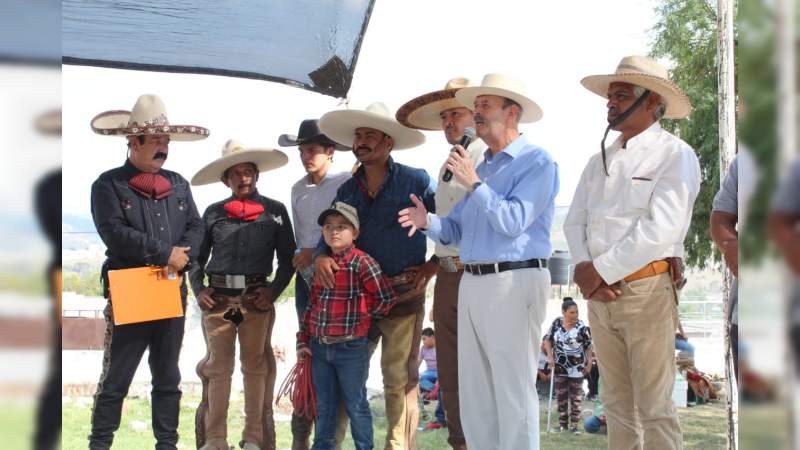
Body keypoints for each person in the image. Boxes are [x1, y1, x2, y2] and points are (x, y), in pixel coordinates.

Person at [399, 73, 559, 450]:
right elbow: (458, 229)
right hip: (472, 281)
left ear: (512, 113)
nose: (477, 113)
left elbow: (512, 222)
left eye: (485, 106)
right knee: (476, 394)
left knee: (511, 392)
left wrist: (473, 183)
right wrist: (429, 223)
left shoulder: (537, 161)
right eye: (477, 107)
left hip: (513, 281)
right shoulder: (483, 166)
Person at [564, 55, 701, 450]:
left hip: (645, 293)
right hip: (600, 294)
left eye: (621, 95)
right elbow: (575, 222)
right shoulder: (597, 161)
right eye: (610, 96)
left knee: (656, 407)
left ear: (652, 101)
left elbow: (662, 229)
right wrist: (586, 271)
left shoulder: (675, 154)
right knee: (616, 405)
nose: (611, 103)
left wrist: (598, 272)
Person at [88, 94, 207, 450]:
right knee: (117, 377)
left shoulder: (180, 183)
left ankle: (167, 445)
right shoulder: (108, 185)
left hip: (171, 288)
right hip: (131, 288)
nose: (163, 148)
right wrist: (164, 252)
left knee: (168, 375)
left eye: (166, 141)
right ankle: (100, 444)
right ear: (133, 142)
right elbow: (114, 233)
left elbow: (196, 227)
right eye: (156, 140)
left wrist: (182, 256)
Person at [317, 101, 434, 450]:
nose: (362, 141)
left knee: (398, 379)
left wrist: (432, 266)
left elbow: (445, 225)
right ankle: (331, 444)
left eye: (370, 135)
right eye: (359, 136)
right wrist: (323, 256)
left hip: (404, 294)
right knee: (346, 378)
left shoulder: (416, 180)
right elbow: (335, 233)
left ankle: (398, 446)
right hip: (356, 301)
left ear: (388, 143)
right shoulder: (347, 190)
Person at [396, 77, 487, 450]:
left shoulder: (484, 155)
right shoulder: (449, 162)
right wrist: (436, 262)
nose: (448, 122)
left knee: (477, 369)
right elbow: (450, 224)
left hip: (478, 275)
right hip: (450, 275)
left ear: (476, 114)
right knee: (450, 371)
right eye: (445, 116)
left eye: (456, 113)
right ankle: (460, 441)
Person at [189, 140, 295, 450]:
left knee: (255, 368)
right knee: (218, 369)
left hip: (255, 299)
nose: (243, 178)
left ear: (257, 175)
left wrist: (273, 292)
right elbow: (196, 258)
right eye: (235, 173)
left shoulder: (275, 212)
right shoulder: (213, 213)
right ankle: (215, 439)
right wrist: (198, 288)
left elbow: (288, 258)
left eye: (248, 171)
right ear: (226, 180)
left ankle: (253, 439)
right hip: (218, 300)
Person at [297, 201, 398, 450]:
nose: (334, 232)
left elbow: (386, 298)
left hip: (351, 348)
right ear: (322, 233)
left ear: (355, 232)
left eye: (342, 227)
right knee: (324, 405)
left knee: (356, 404)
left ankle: (364, 446)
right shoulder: (321, 265)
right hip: (320, 348)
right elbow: (311, 307)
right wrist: (303, 341)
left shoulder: (362, 263)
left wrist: (362, 319)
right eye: (329, 227)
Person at [280, 119, 351, 450]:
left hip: (336, 275)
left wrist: (318, 252)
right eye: (303, 150)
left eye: (313, 150)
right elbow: (299, 234)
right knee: (307, 351)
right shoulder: (297, 188)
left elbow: (347, 230)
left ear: (330, 152)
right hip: (306, 277)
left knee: (336, 356)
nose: (307, 155)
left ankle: (328, 439)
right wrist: (303, 255)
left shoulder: (345, 183)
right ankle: (300, 437)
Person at [543, 298, 593, 434]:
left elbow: (588, 347)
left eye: (577, 312)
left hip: (577, 369)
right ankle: (562, 425)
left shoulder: (582, 327)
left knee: (576, 398)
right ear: (563, 312)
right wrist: (549, 356)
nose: (575, 315)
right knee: (561, 397)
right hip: (559, 367)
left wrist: (589, 363)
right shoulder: (556, 324)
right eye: (572, 312)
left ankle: (574, 426)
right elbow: (548, 341)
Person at [417, 328, 446, 431]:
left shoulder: (441, 346)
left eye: (424, 339)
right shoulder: (423, 348)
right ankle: (435, 390)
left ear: (432, 337)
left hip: (440, 371)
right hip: (429, 372)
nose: (423, 342)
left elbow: (444, 366)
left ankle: (434, 392)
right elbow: (418, 362)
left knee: (442, 380)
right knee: (418, 378)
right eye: (422, 340)